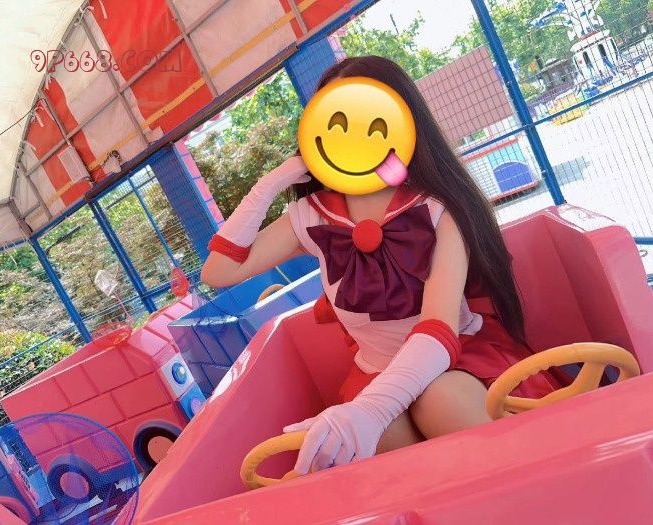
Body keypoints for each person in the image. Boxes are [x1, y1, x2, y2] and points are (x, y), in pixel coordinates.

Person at [201, 55, 567, 475]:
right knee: (382, 438)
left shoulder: (438, 208)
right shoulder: (312, 216)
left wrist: (372, 408)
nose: (352, 135)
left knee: (440, 400)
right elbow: (219, 271)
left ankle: (536, 487)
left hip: (458, 359)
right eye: (336, 121)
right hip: (376, 372)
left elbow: (439, 325)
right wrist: (273, 182)